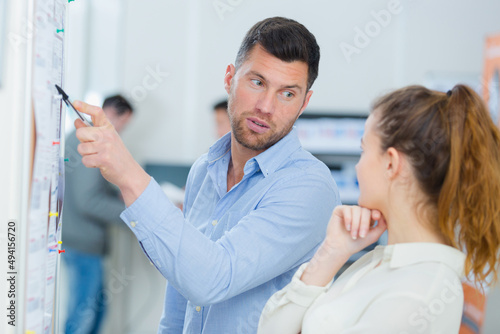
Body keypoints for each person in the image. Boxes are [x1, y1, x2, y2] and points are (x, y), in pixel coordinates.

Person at [71, 17, 341, 333]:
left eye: (288, 94)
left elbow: (213, 279)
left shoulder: (308, 187)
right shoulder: (205, 169)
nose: (266, 106)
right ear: (230, 78)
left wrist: (128, 173)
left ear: (304, 103)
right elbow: (179, 300)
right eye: (257, 82)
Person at [258, 84, 500, 333]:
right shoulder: (380, 263)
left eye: (364, 150)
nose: (358, 167)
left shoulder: (417, 295)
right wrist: (332, 251)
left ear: (391, 164)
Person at [63, 95, 133, 334]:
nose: (121, 130)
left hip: (85, 242)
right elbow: (88, 200)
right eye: (123, 124)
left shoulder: (88, 138)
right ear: (115, 115)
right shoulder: (89, 140)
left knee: (94, 313)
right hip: (82, 243)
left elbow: (94, 188)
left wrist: (122, 194)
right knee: (82, 317)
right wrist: (132, 215)